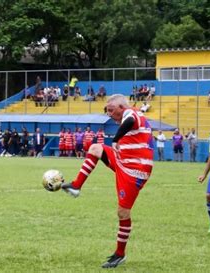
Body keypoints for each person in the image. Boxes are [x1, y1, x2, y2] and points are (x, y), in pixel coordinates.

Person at [60, 94, 153, 268]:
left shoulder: (131, 113)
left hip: (135, 170)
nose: (109, 114)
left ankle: (120, 254)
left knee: (123, 213)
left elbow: (129, 120)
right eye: (107, 111)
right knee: (95, 148)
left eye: (111, 110)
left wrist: (116, 139)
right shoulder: (131, 114)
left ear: (121, 107)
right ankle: (76, 185)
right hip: (123, 161)